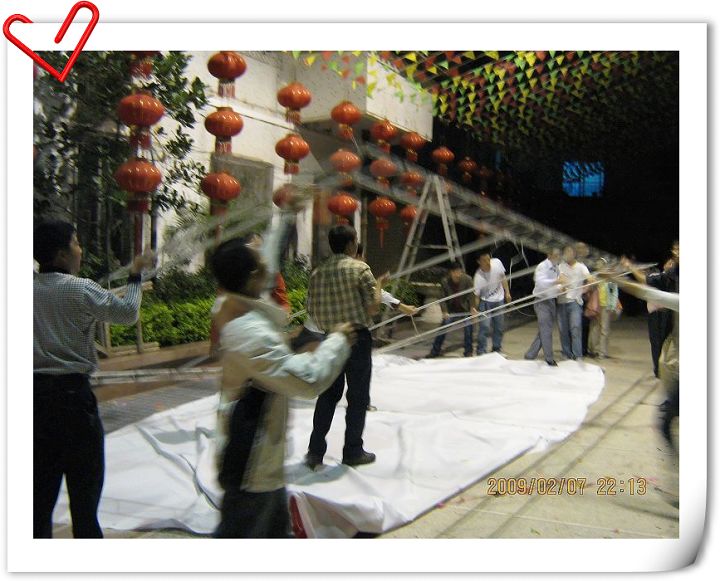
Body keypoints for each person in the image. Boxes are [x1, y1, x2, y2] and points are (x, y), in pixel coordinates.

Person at [210, 212, 355, 538]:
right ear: (252, 275)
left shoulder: (237, 309)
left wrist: (287, 213)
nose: (266, 259)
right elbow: (307, 381)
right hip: (250, 463)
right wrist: (338, 341)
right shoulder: (249, 331)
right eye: (258, 254)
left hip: (264, 461)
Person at [33, 221, 154, 538]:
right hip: (74, 403)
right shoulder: (79, 288)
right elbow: (127, 312)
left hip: (33, 402)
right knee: (84, 501)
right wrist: (135, 275)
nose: (80, 249)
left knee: (37, 504)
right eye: (75, 242)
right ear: (61, 254)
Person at [305, 224, 383, 469]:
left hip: (331, 338)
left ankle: (315, 451)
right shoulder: (360, 269)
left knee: (328, 395)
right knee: (357, 397)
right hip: (357, 338)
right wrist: (380, 287)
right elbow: (373, 308)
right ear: (351, 244)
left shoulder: (317, 273)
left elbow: (311, 311)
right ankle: (352, 451)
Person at [209, 232, 290, 361]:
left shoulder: (273, 275)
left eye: (261, 249)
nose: (262, 259)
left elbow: (283, 301)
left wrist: (284, 313)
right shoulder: (255, 330)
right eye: (255, 250)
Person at [524, 248, 566, 366]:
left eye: (559, 255)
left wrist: (560, 288)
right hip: (542, 301)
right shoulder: (542, 266)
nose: (558, 257)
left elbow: (555, 285)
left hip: (551, 300)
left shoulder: (557, 267)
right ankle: (549, 358)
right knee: (546, 330)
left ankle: (530, 354)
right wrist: (556, 282)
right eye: (556, 255)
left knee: (544, 330)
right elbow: (540, 282)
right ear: (549, 254)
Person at [427, 261, 475, 358]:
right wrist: (444, 311)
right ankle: (435, 351)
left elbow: (471, 295)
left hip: (464, 309)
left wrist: (472, 308)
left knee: (468, 329)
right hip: (451, 310)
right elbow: (442, 298)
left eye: (459, 271)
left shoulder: (467, 279)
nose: (458, 274)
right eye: (456, 272)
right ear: (451, 272)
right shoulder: (445, 281)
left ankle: (468, 351)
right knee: (443, 327)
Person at [556, 246, 591, 360]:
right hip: (562, 302)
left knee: (575, 328)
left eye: (570, 252)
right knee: (563, 330)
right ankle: (566, 353)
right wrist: (561, 286)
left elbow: (590, 279)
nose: (568, 254)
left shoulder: (581, 266)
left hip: (575, 302)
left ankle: (577, 355)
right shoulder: (561, 266)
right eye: (566, 252)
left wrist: (586, 288)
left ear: (574, 253)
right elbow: (558, 280)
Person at [473, 253, 511, 355]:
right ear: (479, 262)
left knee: (499, 327)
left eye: (488, 259)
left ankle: (496, 349)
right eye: (484, 260)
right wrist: (475, 309)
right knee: (484, 327)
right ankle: (481, 350)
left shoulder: (497, 263)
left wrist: (507, 292)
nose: (487, 262)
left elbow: (503, 278)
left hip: (499, 300)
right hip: (485, 302)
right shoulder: (478, 276)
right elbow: (476, 295)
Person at [646, 258, 676, 377]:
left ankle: (661, 369)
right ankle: (659, 369)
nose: (671, 265)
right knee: (657, 342)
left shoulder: (670, 277)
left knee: (662, 342)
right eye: (669, 262)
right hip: (658, 314)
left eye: (673, 263)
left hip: (665, 314)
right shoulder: (660, 276)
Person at [588, 258, 620, 359]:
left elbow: (613, 293)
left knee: (602, 329)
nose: (600, 266)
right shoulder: (595, 277)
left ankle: (601, 352)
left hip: (605, 306)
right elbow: (589, 288)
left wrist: (612, 306)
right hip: (597, 306)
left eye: (602, 265)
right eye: (599, 265)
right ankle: (594, 350)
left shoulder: (608, 278)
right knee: (597, 328)